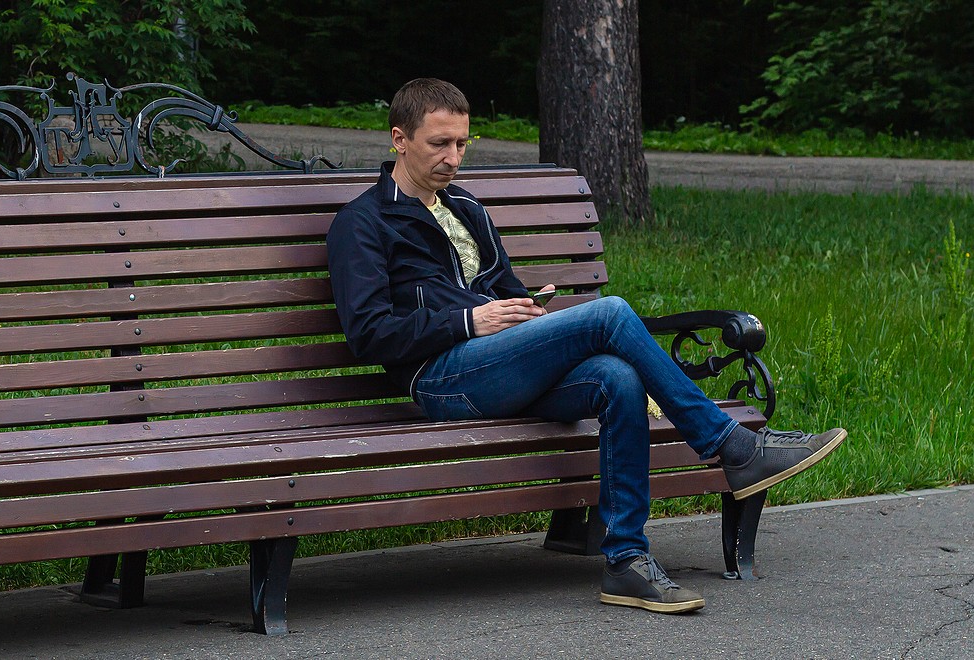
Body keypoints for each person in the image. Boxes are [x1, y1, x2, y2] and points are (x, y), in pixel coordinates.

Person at [326, 78, 846, 614]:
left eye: (462, 143)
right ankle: (734, 449)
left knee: (615, 379)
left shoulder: (465, 207)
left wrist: (527, 310)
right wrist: (468, 321)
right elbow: (368, 333)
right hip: (440, 380)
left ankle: (625, 562)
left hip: (499, 366)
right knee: (611, 313)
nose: (453, 157)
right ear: (399, 139)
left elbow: (504, 290)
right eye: (439, 144)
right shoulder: (363, 223)